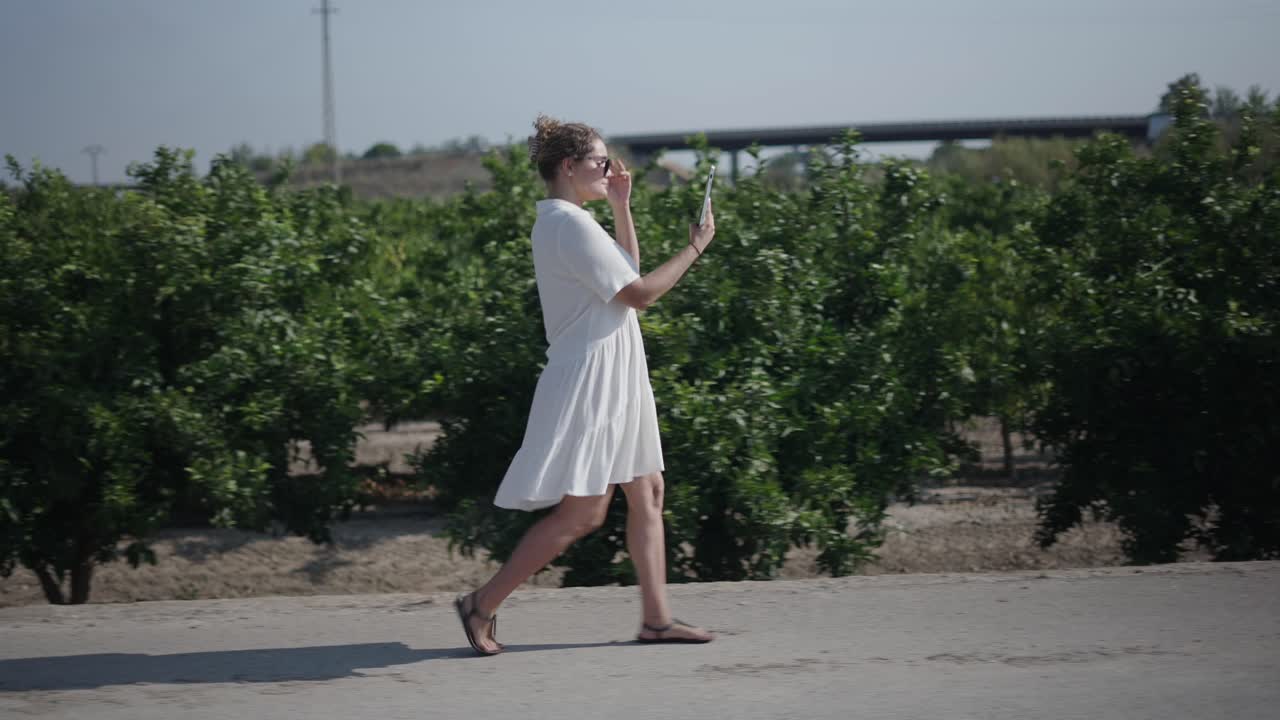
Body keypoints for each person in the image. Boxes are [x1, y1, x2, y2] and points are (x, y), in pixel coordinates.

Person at [453, 115, 717, 655]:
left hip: (615, 369)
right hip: (594, 378)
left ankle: (656, 620)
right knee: (584, 514)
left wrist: (622, 205)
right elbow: (640, 293)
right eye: (600, 162)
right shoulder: (566, 225)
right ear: (569, 167)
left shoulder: (571, 221)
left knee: (647, 493)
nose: (609, 168)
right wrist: (695, 249)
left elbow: (623, 271)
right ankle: (481, 603)